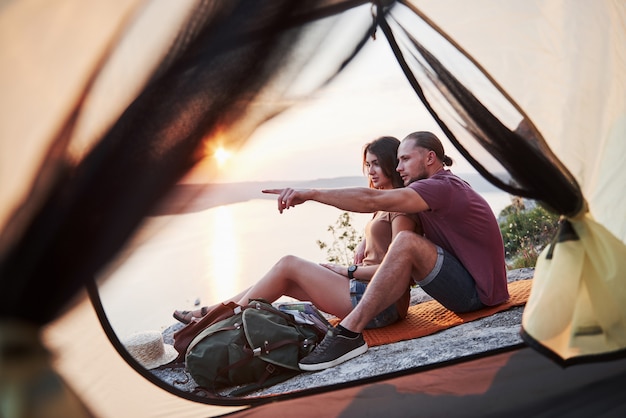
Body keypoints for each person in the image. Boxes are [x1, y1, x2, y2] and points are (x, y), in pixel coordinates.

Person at [263, 131, 508, 371]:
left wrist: (312, 194)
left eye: (405, 159)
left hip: (478, 295)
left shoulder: (440, 187)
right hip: (470, 287)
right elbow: (380, 206)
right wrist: (365, 240)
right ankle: (231, 313)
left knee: (406, 242)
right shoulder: (439, 188)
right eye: (398, 160)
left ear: (430, 158)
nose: (399, 167)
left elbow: (372, 200)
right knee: (289, 271)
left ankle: (349, 333)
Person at [173, 136, 418, 330]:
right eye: (368, 165)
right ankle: (211, 313)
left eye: (377, 163)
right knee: (283, 280)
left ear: (390, 164)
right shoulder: (383, 204)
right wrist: (366, 240)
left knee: (289, 264)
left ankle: (210, 319)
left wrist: (349, 270)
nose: (371, 171)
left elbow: (400, 271)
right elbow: (383, 241)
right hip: (364, 291)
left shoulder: (401, 210)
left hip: (379, 304)